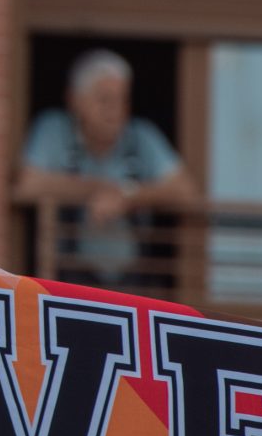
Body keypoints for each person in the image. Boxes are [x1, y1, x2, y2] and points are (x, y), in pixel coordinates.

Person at [14, 49, 194, 287]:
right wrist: (98, 190)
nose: (115, 110)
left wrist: (127, 196)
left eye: (122, 100)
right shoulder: (53, 129)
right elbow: (27, 185)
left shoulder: (141, 135)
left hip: (133, 283)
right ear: (74, 100)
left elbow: (185, 191)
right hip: (67, 282)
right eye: (104, 99)